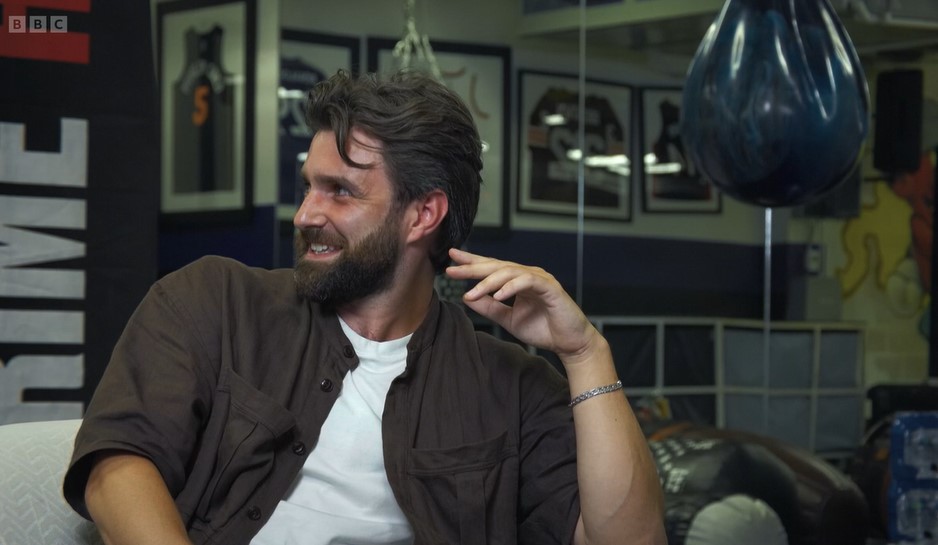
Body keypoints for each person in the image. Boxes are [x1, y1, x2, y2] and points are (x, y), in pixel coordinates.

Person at [63, 69, 665, 545]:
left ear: (422, 215)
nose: (305, 215)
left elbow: (628, 539)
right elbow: (118, 464)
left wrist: (586, 353)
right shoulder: (215, 302)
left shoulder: (510, 386)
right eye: (308, 185)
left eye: (340, 191)